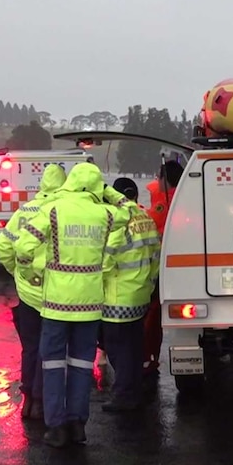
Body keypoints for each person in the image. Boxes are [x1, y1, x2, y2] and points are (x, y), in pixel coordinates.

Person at [13, 162, 127, 448]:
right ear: (96, 185)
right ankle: (77, 425)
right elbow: (128, 211)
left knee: (52, 364)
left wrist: (30, 273)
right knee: (81, 364)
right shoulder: (105, 214)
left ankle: (56, 427)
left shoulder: (53, 210)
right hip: (89, 306)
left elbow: (23, 247)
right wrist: (108, 193)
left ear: (71, 182)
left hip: (56, 305)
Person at [0, 164, 67, 422]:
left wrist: (16, 271)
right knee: (50, 349)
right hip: (53, 292)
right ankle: (40, 400)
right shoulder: (62, 211)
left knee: (30, 346)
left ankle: (27, 399)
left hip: (26, 292)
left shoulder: (24, 211)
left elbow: (2, 244)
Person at [100, 177, 160, 412]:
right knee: (134, 346)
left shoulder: (119, 221)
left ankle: (124, 395)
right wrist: (149, 284)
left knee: (118, 348)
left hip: (118, 297)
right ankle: (133, 390)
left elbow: (107, 257)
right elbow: (156, 255)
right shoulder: (145, 218)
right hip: (140, 294)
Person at [142, 159, 184, 378]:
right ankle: (151, 358)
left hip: (159, 270)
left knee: (151, 316)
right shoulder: (186, 196)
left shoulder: (163, 202)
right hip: (180, 267)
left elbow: (152, 224)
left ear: (165, 179)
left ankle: (147, 359)